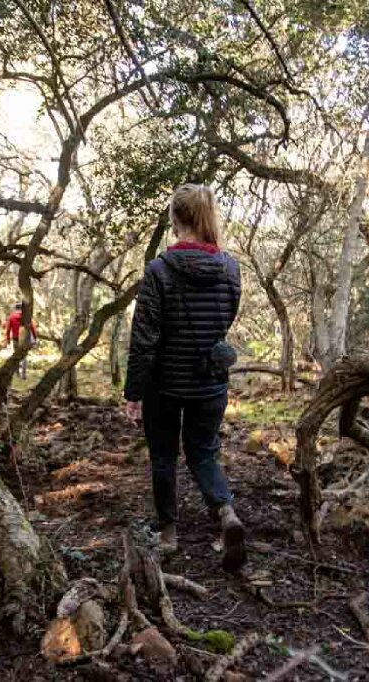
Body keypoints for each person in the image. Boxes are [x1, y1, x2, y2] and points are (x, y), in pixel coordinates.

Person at [123, 183, 245, 572]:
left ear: (176, 219)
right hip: (210, 381)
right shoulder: (230, 268)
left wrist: (134, 392)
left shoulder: (159, 271)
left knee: (163, 456)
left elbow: (145, 336)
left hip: (164, 383)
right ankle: (225, 512)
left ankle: (169, 534)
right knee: (204, 453)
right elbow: (225, 319)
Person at [4, 302, 37, 379]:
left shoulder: (11, 317)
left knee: (16, 356)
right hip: (25, 339)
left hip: (15, 338)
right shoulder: (27, 317)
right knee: (24, 356)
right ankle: (23, 374)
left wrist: (8, 339)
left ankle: (17, 373)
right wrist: (35, 338)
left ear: (15, 308)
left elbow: (8, 329)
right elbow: (32, 328)